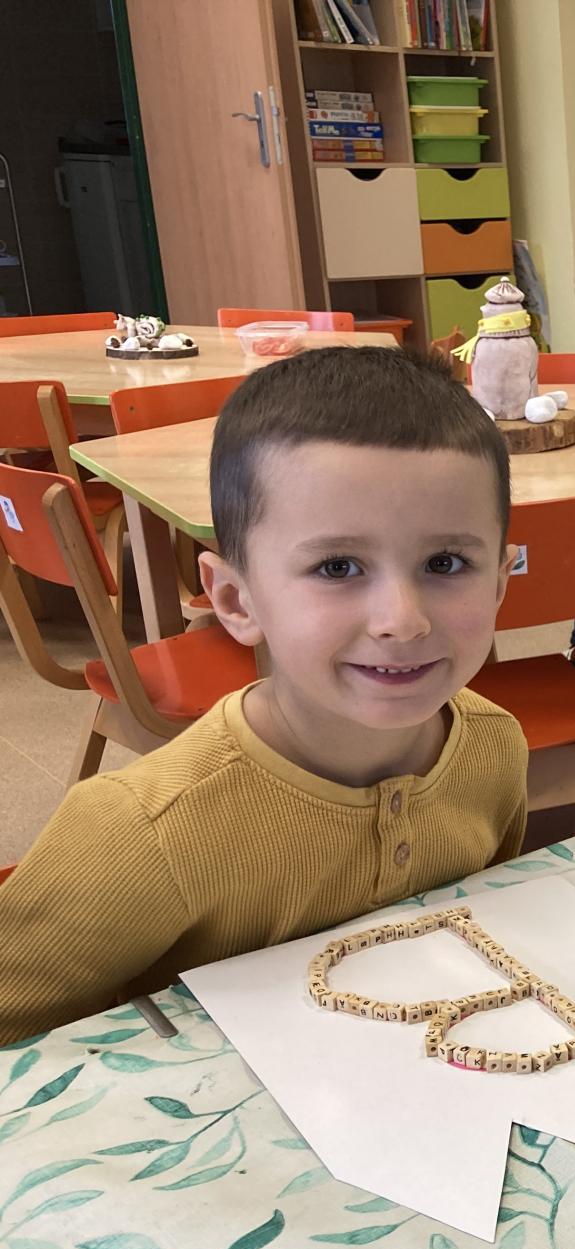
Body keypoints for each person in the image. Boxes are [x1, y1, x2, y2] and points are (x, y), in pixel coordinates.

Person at [0, 347, 528, 1044]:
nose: (402, 621)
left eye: (445, 562)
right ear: (234, 600)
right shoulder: (140, 832)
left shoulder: (494, 745)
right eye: (337, 567)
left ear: (499, 582)